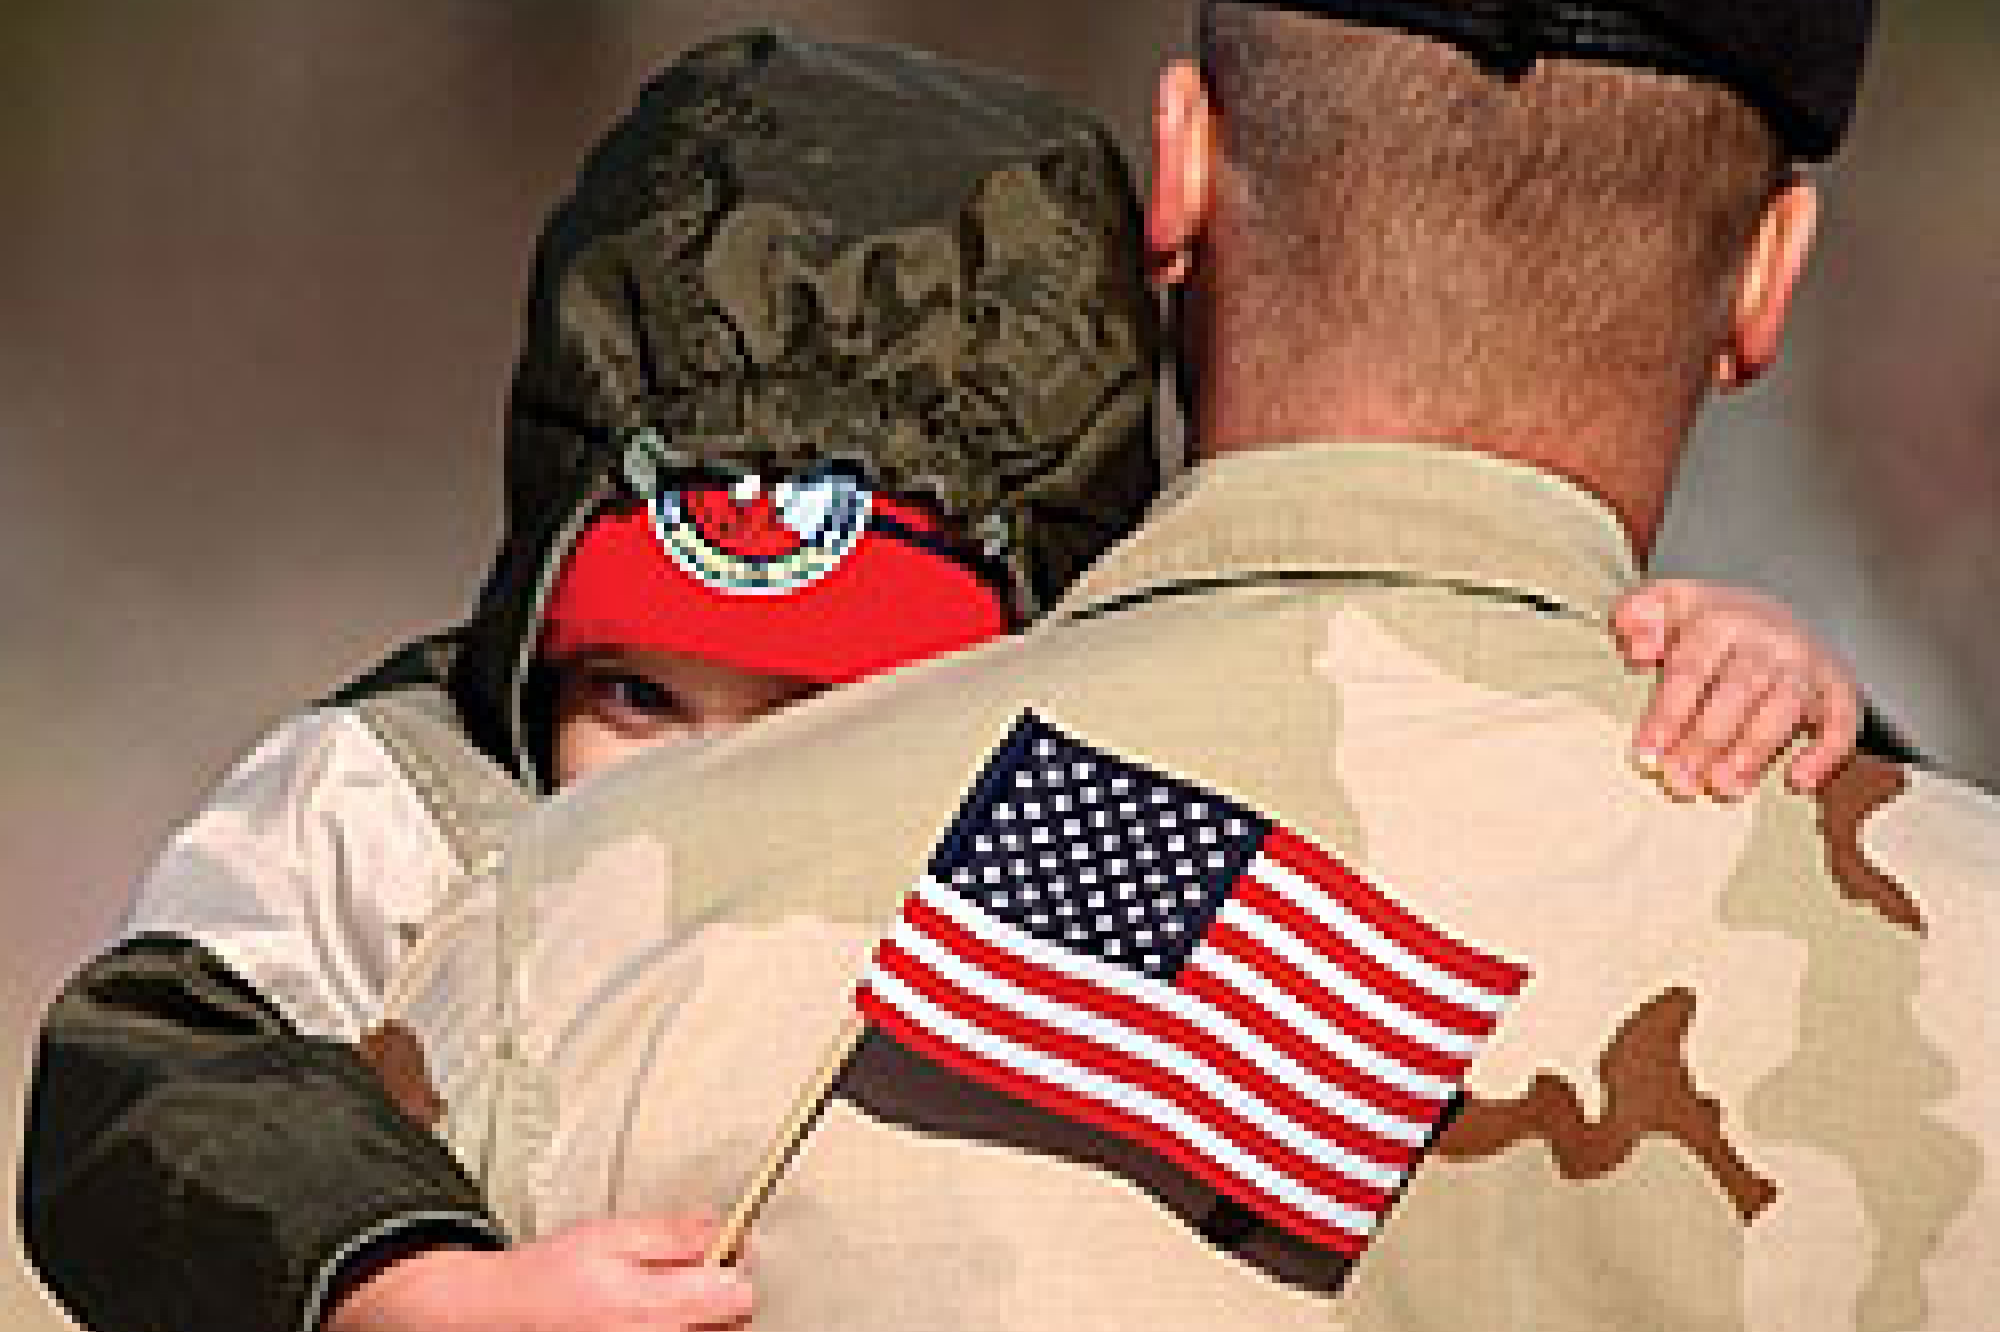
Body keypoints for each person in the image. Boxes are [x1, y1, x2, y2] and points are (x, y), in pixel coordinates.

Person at [20, 25, 1877, 1332]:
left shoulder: (1103, 792)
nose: (709, 781)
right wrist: (398, 1275)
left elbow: (1504, 882)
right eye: (641, 698)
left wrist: (1739, 682)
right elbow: (148, 1062)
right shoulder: (411, 792)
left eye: (830, 717)